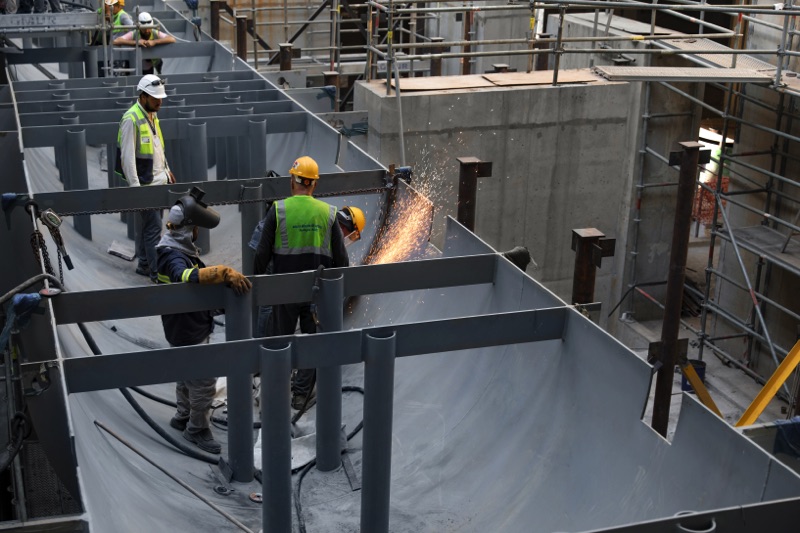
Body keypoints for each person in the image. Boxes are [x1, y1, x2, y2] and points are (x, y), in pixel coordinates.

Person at [156, 187, 252, 454]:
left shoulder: (170, 246)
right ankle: (197, 429)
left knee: (185, 373)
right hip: (188, 327)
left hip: (180, 325)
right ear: (188, 229)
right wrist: (222, 272)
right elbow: (185, 277)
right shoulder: (173, 256)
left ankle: (182, 416)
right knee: (204, 381)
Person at [253, 156, 350, 409]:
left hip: (284, 289)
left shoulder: (278, 209)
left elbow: (261, 255)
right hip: (316, 292)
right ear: (313, 185)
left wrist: (260, 290)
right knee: (311, 342)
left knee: (279, 342)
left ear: (292, 181)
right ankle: (299, 396)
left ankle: (275, 394)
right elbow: (342, 261)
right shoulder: (329, 214)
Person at [249, 204, 366, 338]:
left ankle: (267, 344)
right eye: (351, 236)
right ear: (346, 227)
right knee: (271, 300)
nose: (347, 239)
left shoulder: (323, 215)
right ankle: (266, 345)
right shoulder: (334, 228)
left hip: (265, 239)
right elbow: (339, 265)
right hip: (271, 244)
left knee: (273, 297)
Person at [115, 74, 175, 283]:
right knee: (153, 228)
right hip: (146, 185)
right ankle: (155, 273)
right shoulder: (130, 119)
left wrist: (167, 170)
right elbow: (127, 158)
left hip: (159, 180)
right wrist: (136, 190)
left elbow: (157, 146)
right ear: (142, 96)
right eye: (155, 98)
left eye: (160, 98)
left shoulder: (151, 114)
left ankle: (143, 263)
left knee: (149, 227)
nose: (160, 102)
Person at [113, 12, 175, 76]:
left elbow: (172, 39)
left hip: (151, 67)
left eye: (149, 28)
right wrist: (136, 42)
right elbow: (116, 41)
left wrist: (154, 42)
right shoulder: (134, 33)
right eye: (144, 29)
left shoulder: (155, 33)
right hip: (135, 66)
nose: (147, 31)